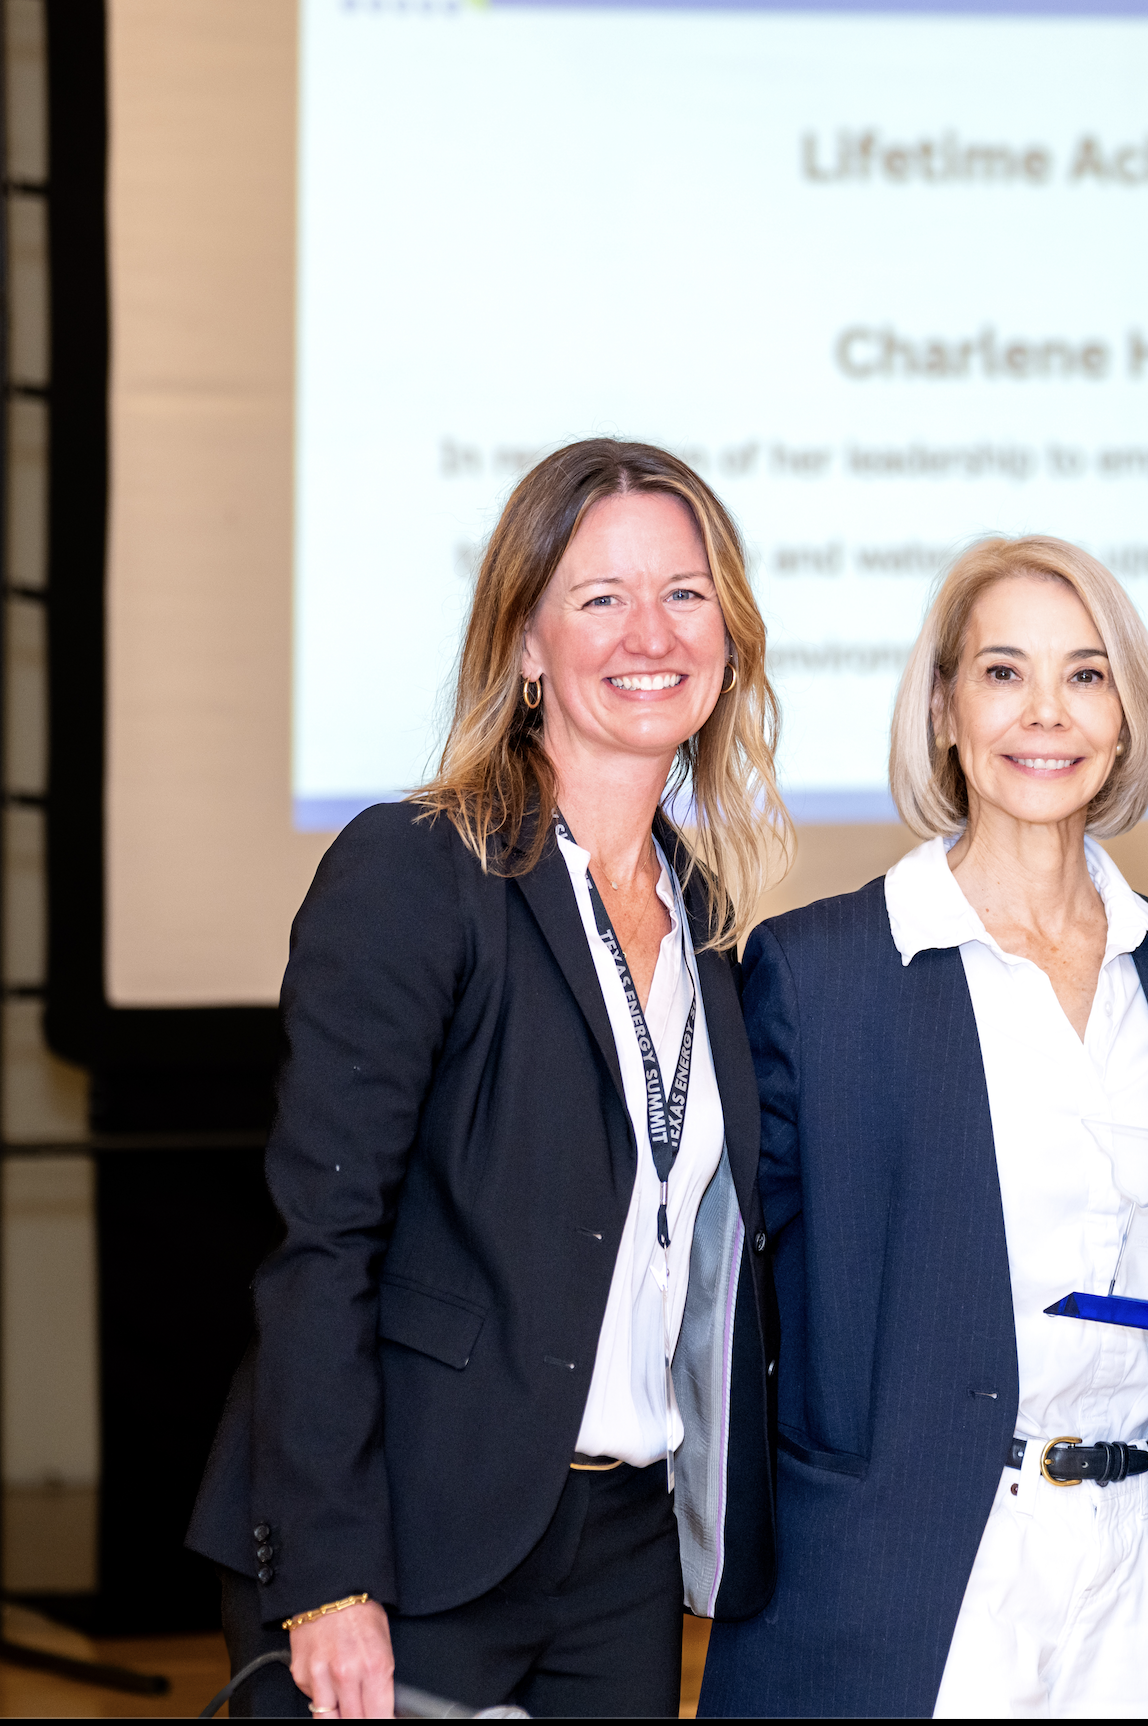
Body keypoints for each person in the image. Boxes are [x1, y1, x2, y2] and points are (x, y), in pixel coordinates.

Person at [187, 439, 789, 1717]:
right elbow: (321, 1242)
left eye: (685, 593)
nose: (652, 633)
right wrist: (329, 1575)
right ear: (525, 642)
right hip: (414, 1531)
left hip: (618, 1551)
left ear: (727, 633)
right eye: (600, 597)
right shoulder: (417, 869)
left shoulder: (709, 917)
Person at [698, 537, 1148, 1718]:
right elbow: (738, 1311)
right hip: (920, 1571)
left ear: (1128, 714)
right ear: (943, 707)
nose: (1045, 712)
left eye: (1086, 675)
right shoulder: (817, 972)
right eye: (1003, 672)